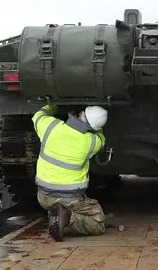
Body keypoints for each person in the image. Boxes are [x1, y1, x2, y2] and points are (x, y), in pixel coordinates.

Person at [32, 103, 108, 241]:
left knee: (50, 200)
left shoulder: (50, 126)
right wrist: (95, 128)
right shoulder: (92, 142)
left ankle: (57, 213)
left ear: (79, 114)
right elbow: (101, 138)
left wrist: (53, 105)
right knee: (98, 224)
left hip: (44, 197)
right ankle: (67, 217)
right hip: (71, 199)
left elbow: (38, 116)